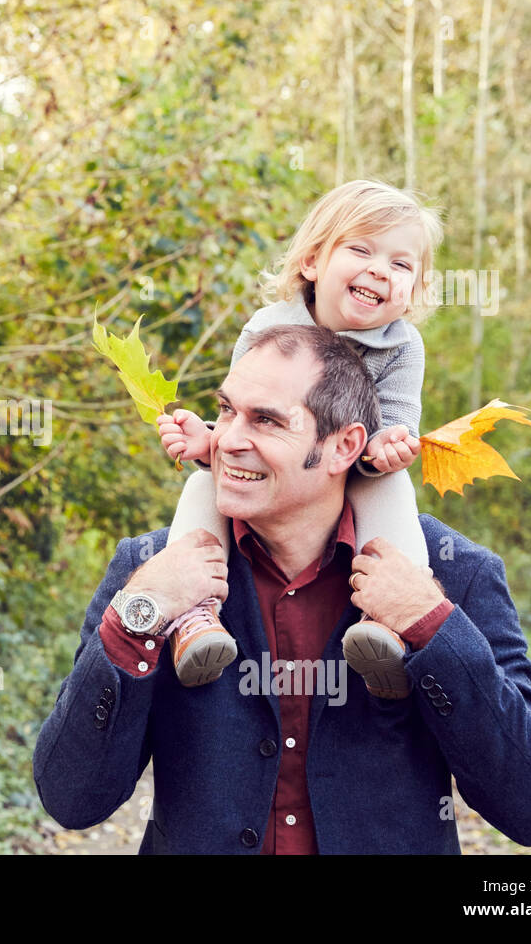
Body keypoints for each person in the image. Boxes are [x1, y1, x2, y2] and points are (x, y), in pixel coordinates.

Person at [32, 324, 531, 853]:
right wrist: (136, 616)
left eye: (266, 421)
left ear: (344, 447)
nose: (228, 441)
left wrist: (433, 625)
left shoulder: (454, 574)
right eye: (226, 411)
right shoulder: (152, 570)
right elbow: (72, 798)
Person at [154, 180, 441, 695]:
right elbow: (244, 419)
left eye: (401, 265)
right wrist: (208, 441)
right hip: (279, 476)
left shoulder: (403, 346)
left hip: (356, 470)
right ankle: (194, 616)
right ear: (312, 261)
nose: (381, 269)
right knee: (201, 492)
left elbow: (398, 420)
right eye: (361, 249)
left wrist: (386, 449)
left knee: (394, 494)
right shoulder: (268, 328)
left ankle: (387, 615)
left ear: (413, 291)